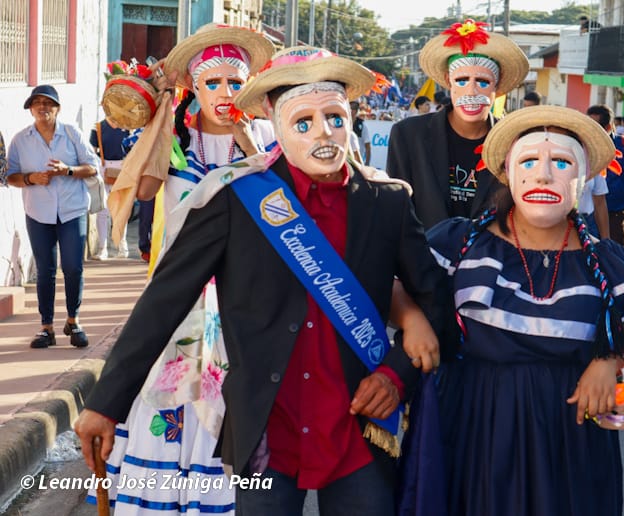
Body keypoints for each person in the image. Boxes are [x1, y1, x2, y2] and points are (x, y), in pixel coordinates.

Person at [75, 45, 446, 516]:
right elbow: (164, 302)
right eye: (304, 122)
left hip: (358, 428)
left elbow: (436, 300)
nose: (324, 133)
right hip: (267, 431)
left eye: (335, 117)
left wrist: (396, 373)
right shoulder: (235, 198)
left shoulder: (386, 201)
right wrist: (106, 402)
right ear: (277, 125)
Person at [80, 25, 277, 514]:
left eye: (236, 83)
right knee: (165, 399)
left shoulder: (267, 137)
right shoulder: (175, 141)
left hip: (239, 300)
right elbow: (142, 192)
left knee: (225, 402)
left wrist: (247, 140)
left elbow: (281, 206)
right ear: (196, 88)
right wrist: (162, 117)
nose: (225, 94)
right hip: (178, 301)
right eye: (213, 84)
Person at [425, 106, 624, 515]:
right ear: (506, 172)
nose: (543, 175)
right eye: (529, 161)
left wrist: (607, 363)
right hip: (479, 419)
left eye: (562, 163)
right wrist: (412, 322)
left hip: (571, 432)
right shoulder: (461, 243)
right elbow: (401, 291)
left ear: (582, 177)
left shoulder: (605, 259)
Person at [386, 19, 529, 230]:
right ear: (448, 80)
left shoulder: (514, 143)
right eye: (462, 80)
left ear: (497, 87)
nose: (471, 92)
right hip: (423, 258)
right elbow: (396, 209)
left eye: (482, 82)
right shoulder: (409, 135)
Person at [5, 85, 100, 349]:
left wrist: (67, 170)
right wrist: (30, 178)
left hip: (72, 210)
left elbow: (93, 168)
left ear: (57, 108)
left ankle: (73, 321)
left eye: (48, 103)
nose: (43, 107)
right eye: (37, 103)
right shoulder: (20, 140)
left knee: (73, 267)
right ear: (30, 109)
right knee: (45, 271)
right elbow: (10, 175)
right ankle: (46, 327)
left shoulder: (71, 134)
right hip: (38, 212)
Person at [587, 104, 624, 248]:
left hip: (615, 214)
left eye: (596, 125)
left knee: (614, 256)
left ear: (608, 126)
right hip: (587, 214)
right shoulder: (583, 144)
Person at [89, 118, 130, 259]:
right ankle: (103, 248)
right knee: (102, 210)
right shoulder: (98, 127)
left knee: (120, 209)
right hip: (103, 168)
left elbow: (133, 150)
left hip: (122, 168)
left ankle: (122, 246)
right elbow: (92, 153)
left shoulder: (127, 126)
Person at [350, 100, 371, 165]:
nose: (351, 110)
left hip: (357, 163)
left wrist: (367, 163)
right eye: (349, 107)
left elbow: (368, 146)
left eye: (353, 108)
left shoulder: (362, 126)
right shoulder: (341, 123)